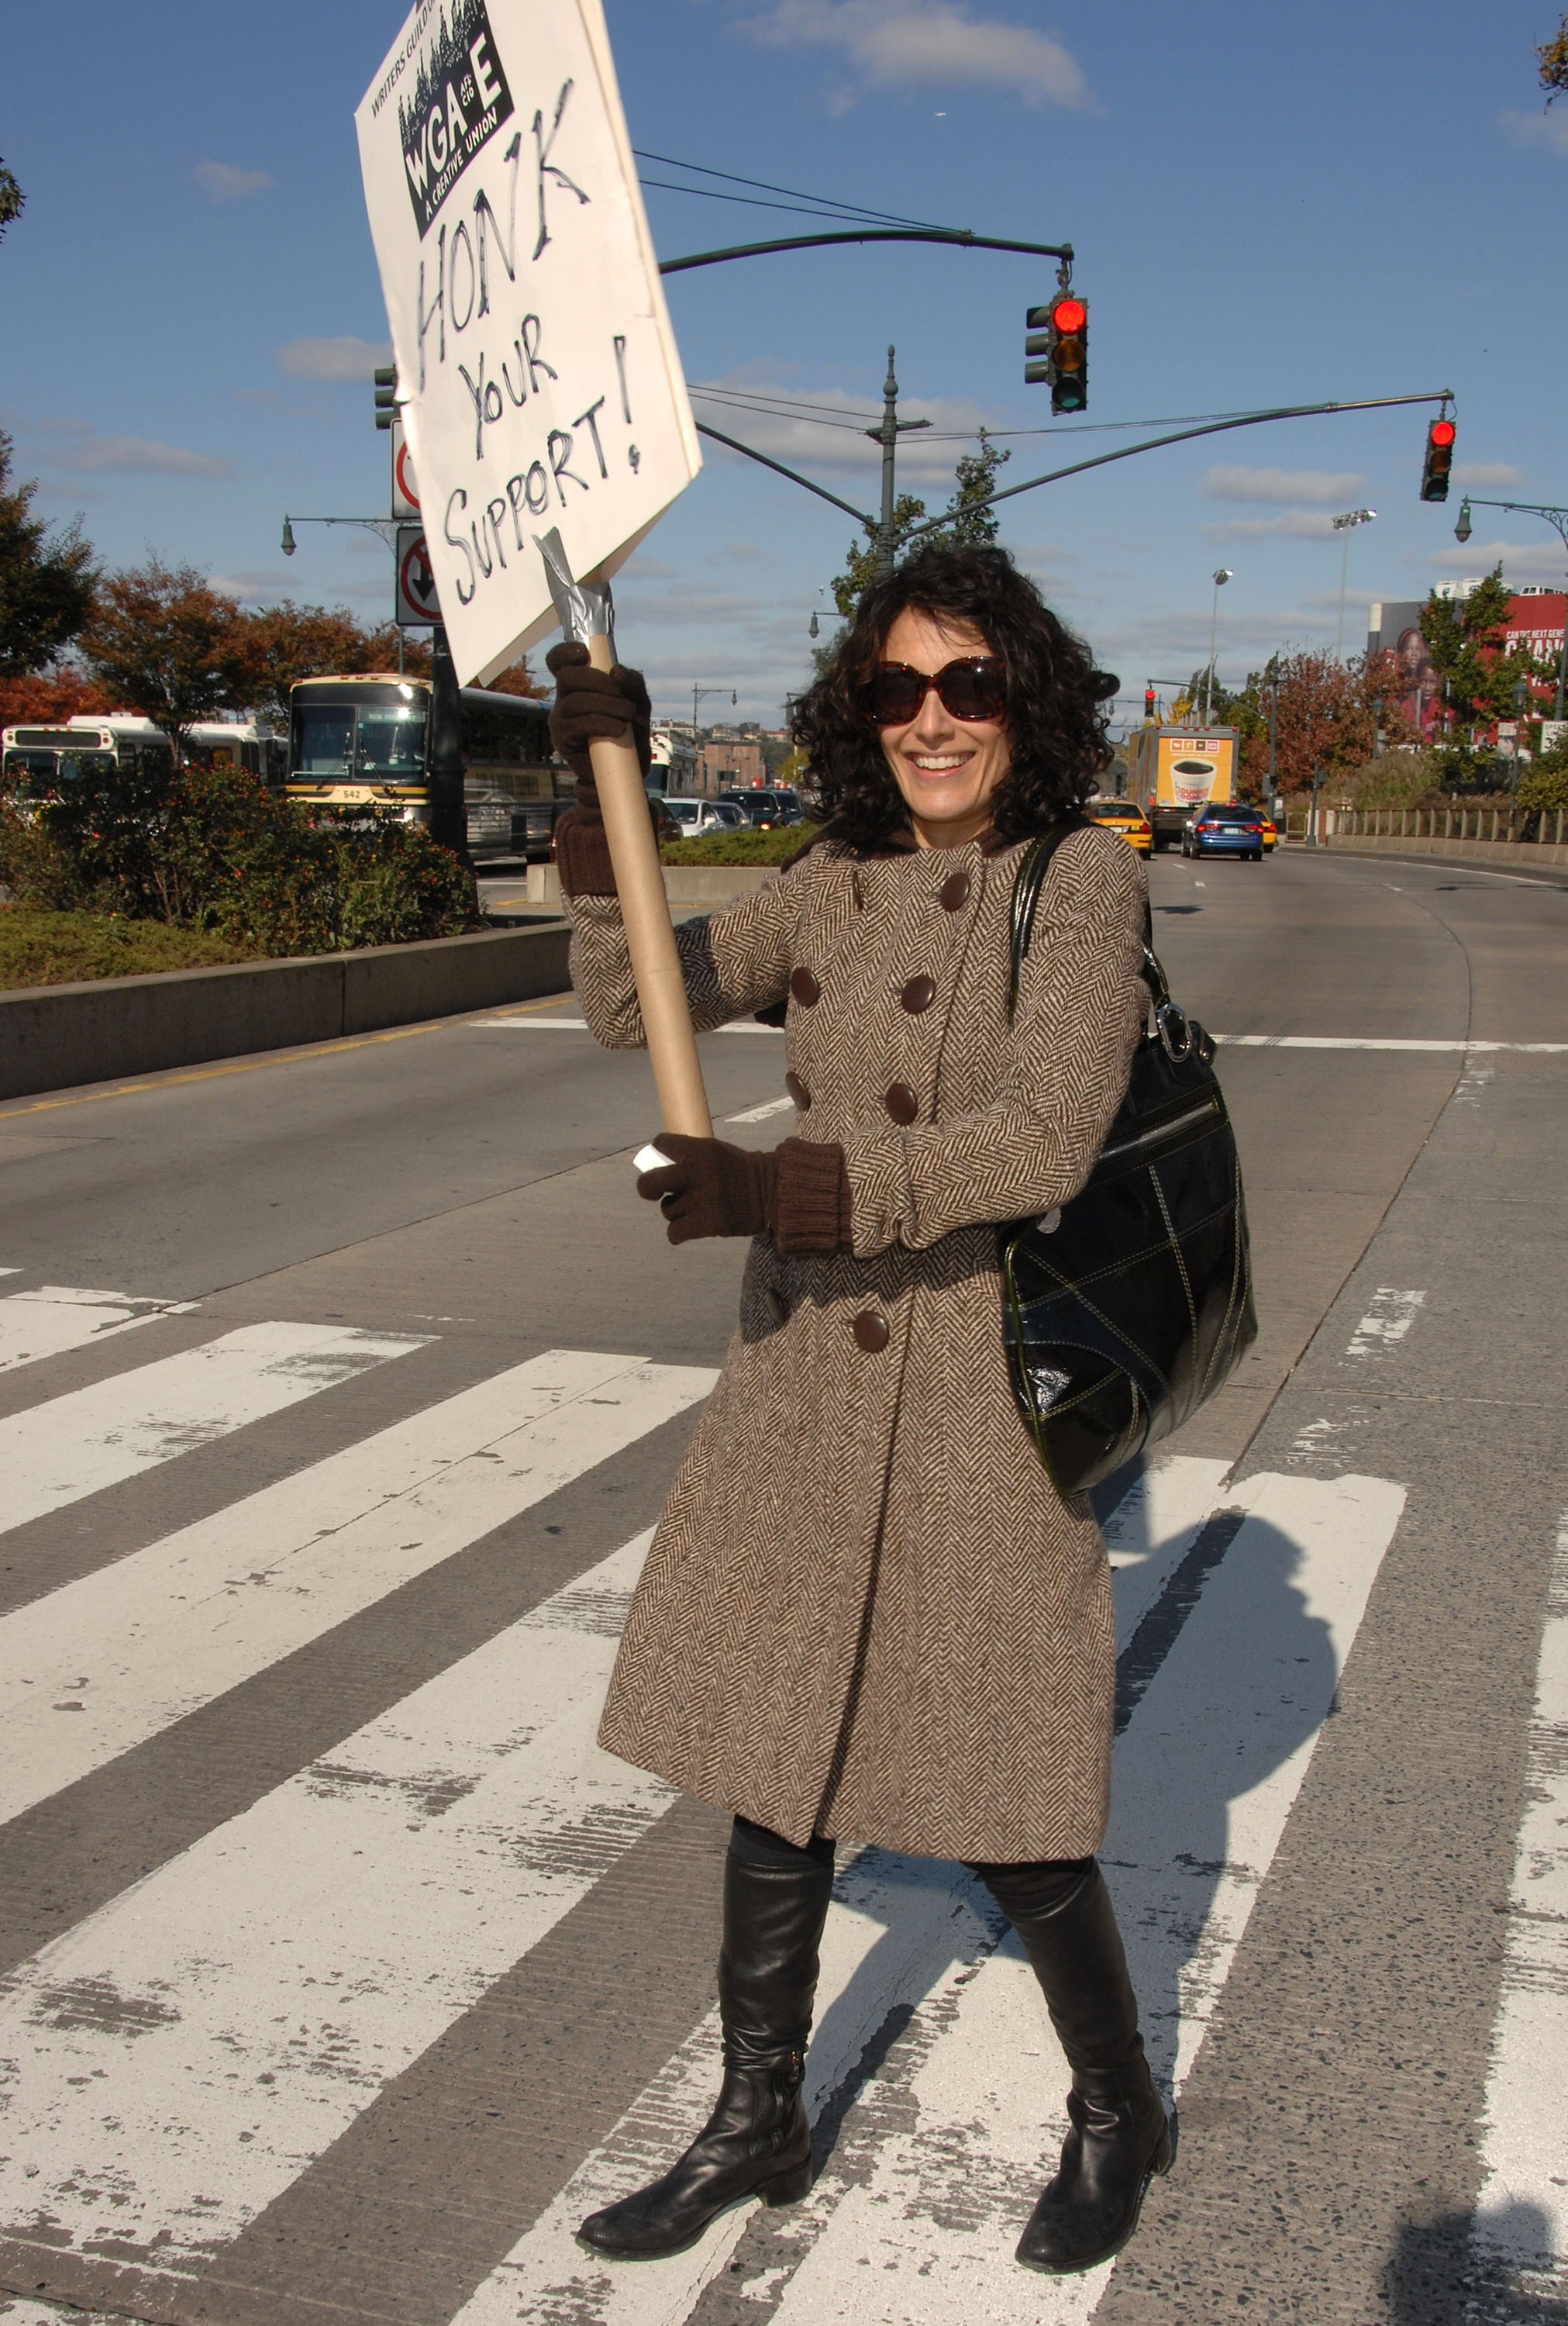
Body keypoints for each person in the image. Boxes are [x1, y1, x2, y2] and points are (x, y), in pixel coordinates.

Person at [544, 542, 1171, 2277]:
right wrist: (592, 789)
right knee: (776, 1761)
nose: (932, 721)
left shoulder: (1083, 880)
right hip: (811, 1384)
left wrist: (782, 1195)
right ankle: (758, 2119)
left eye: (967, 686)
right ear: (860, 713)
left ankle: (1120, 2107)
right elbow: (625, 1003)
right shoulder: (825, 878)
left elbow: (1038, 1144)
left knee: (1010, 1798)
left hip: (982, 1383)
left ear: (1022, 700)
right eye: (897, 691)